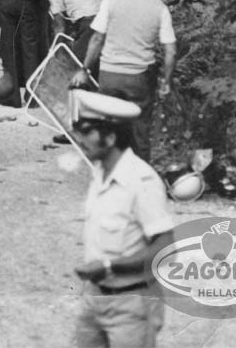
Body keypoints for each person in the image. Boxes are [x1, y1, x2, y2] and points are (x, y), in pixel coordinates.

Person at [70, 89, 173, 348]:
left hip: (132, 304)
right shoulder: (100, 171)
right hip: (94, 298)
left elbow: (165, 248)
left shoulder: (142, 181)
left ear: (111, 136)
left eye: (86, 131)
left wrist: (108, 267)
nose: (79, 138)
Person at [71, 0, 177, 162]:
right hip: (140, 78)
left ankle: (108, 177)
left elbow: (97, 38)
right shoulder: (160, 8)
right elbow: (170, 51)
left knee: (108, 127)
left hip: (109, 75)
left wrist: (84, 69)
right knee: (140, 131)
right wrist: (167, 81)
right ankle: (140, 181)